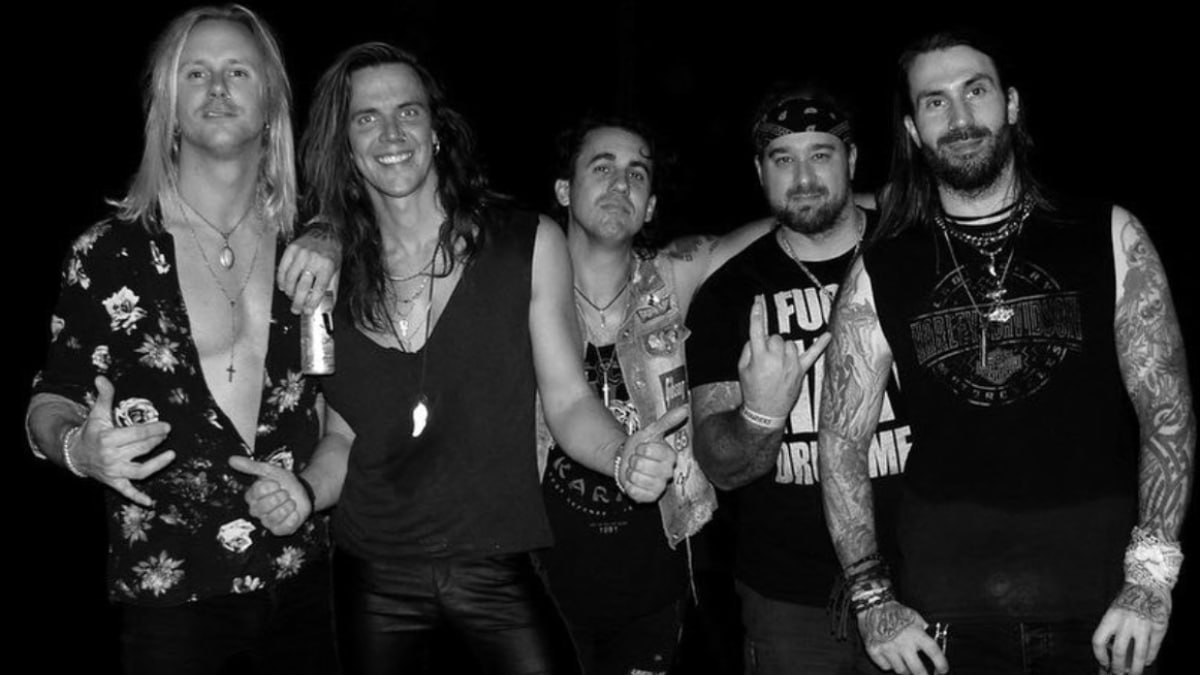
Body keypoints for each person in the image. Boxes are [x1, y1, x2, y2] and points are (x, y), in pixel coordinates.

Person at [236, 43, 683, 675]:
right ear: (346, 144)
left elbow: (567, 400)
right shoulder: (328, 276)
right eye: (366, 118)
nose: (392, 134)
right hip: (373, 575)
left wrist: (621, 454)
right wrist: (306, 493)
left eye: (408, 112)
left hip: (495, 563)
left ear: (436, 131)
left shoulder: (525, 244)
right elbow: (344, 434)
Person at [818, 30, 1194, 675]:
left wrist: (1151, 578)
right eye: (935, 102)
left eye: (976, 91)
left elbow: (1166, 409)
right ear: (912, 129)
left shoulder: (1109, 234)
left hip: (1105, 611)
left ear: (1011, 103)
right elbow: (841, 443)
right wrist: (872, 596)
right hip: (943, 619)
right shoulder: (882, 267)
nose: (960, 117)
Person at [24, 5, 339, 673]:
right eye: (195, 73)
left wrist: (333, 231)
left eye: (238, 71)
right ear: (167, 106)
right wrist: (79, 449)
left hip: (303, 582)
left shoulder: (312, 250)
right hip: (169, 598)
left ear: (270, 103)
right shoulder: (107, 253)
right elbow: (50, 400)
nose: (217, 87)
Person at [687, 91, 910, 674]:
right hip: (789, 599)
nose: (804, 177)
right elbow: (720, 466)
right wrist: (760, 414)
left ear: (852, 160)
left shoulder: (913, 256)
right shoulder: (728, 294)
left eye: (821, 154)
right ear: (760, 171)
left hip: (928, 577)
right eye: (783, 159)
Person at [540, 117, 771, 674]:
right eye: (602, 167)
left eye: (637, 174)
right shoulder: (522, 286)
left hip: (651, 588)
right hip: (538, 585)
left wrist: (872, 198)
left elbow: (783, 226)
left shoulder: (670, 278)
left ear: (650, 208)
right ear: (564, 190)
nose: (621, 183)